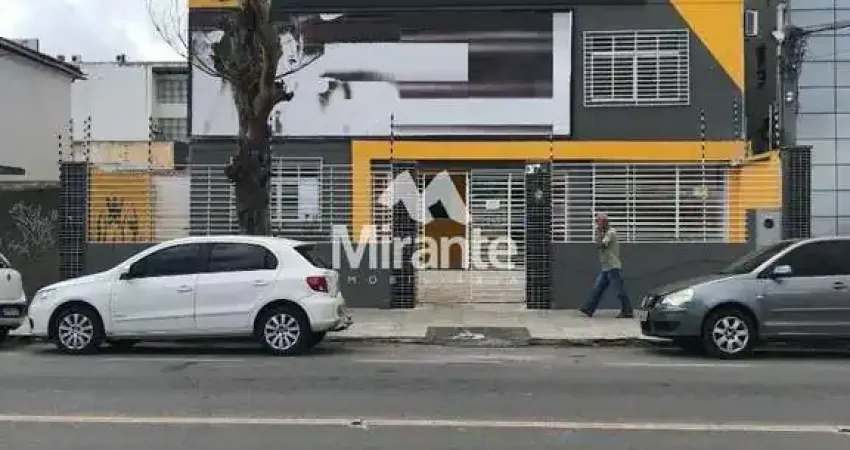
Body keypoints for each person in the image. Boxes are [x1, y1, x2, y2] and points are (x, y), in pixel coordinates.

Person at [579, 213, 634, 318]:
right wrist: (599, 232)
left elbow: (601, 245)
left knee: (619, 290)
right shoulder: (604, 233)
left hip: (613, 267)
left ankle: (628, 311)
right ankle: (588, 309)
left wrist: (599, 231)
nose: (597, 224)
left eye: (598, 221)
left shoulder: (611, 232)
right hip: (606, 267)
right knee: (597, 289)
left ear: (604, 222)